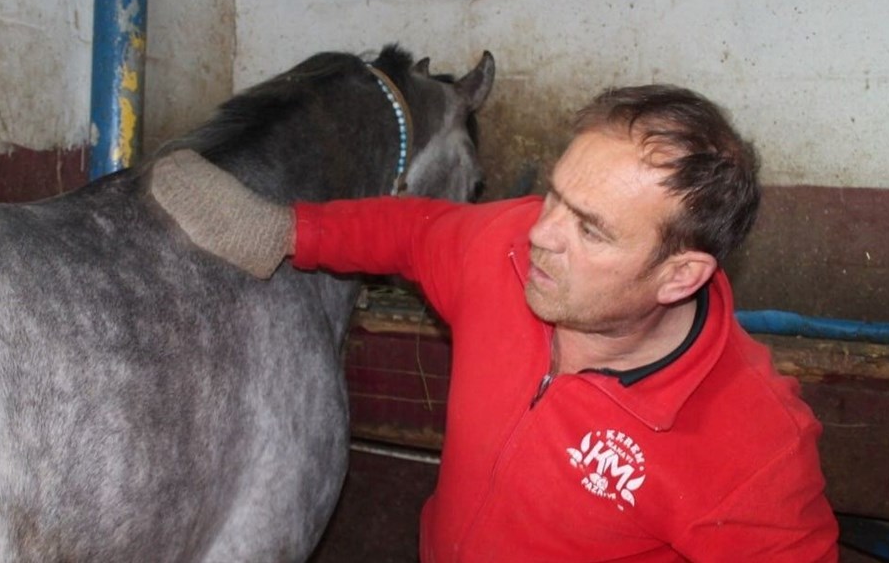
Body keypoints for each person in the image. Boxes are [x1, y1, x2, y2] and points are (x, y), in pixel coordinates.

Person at [148, 84, 839, 561]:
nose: (542, 235)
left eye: (591, 231)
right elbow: (418, 234)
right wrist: (290, 229)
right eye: (554, 198)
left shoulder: (752, 450)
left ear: (680, 275)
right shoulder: (508, 251)